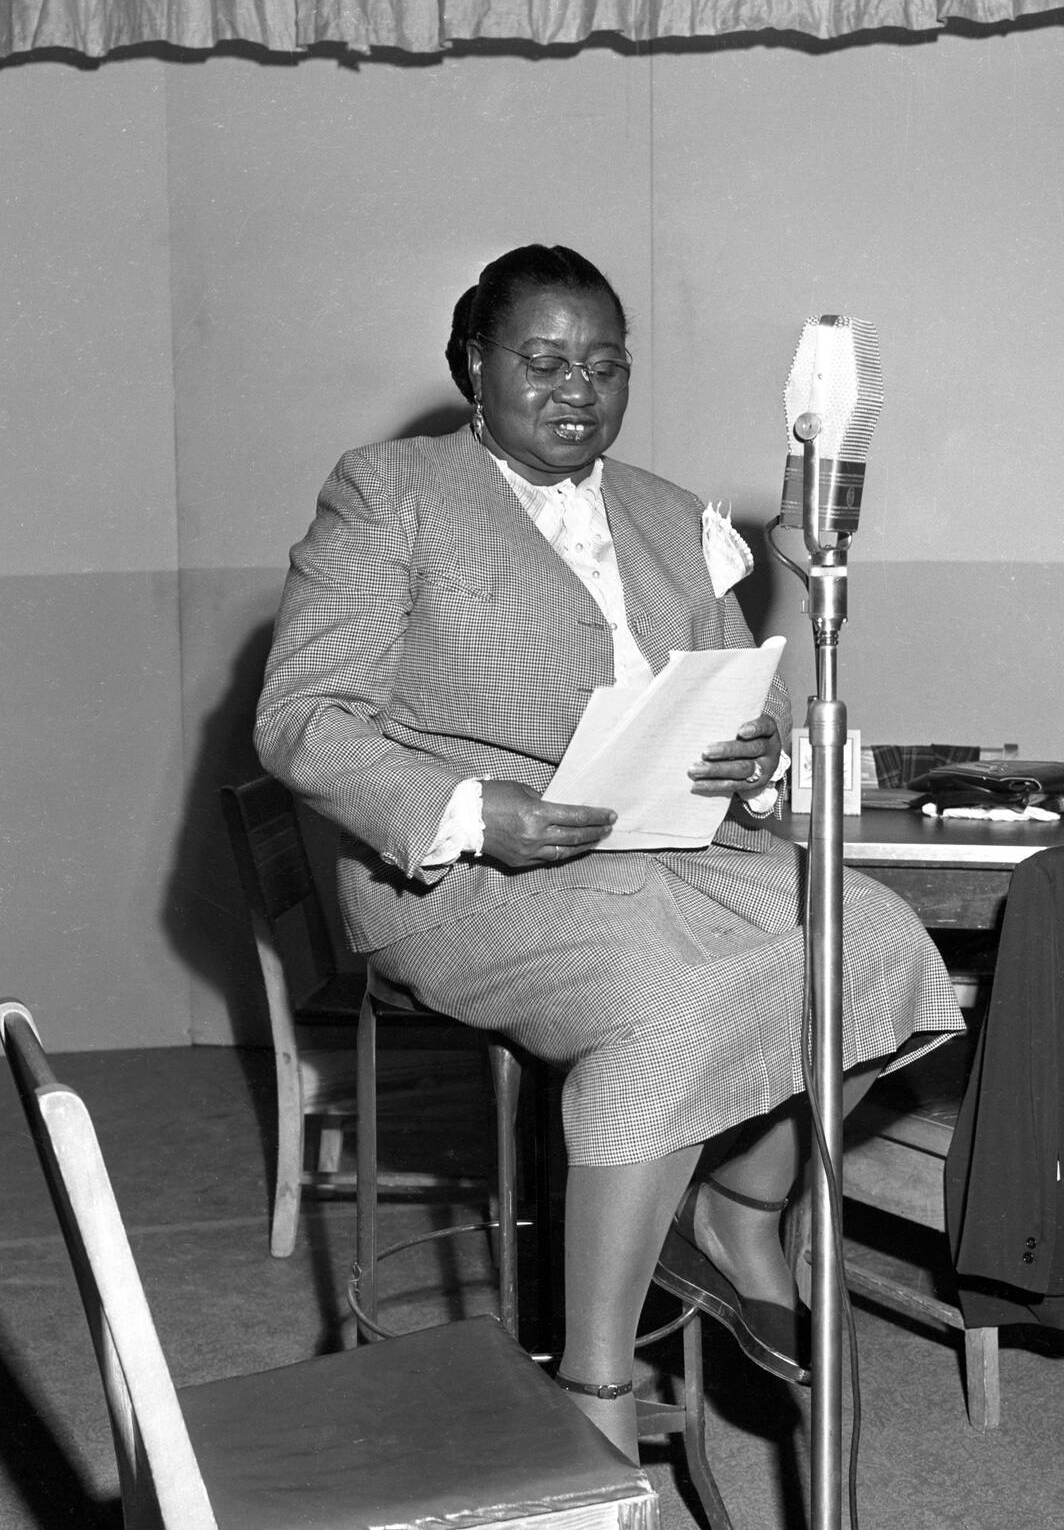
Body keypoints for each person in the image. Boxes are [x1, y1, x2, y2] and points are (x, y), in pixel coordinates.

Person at [254, 243, 963, 1460]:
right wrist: (479, 808)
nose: (575, 387)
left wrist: (758, 750)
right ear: (472, 364)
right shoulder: (392, 491)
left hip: (664, 855)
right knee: (674, 1003)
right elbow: (303, 718)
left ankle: (743, 1209)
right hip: (467, 879)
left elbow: (758, 702)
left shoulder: (666, 511)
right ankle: (594, 1388)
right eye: (542, 360)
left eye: (604, 365)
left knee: (878, 937)